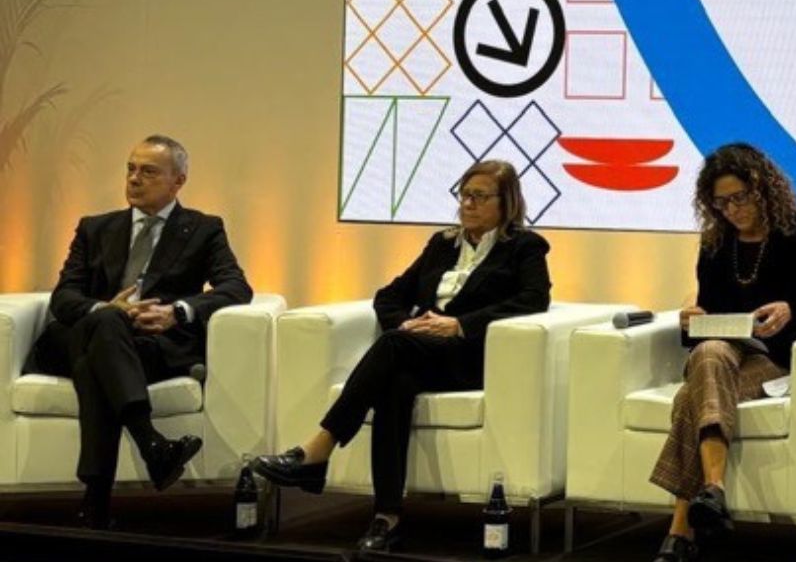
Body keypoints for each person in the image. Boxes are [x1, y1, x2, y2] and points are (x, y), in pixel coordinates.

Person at [251, 159, 552, 553]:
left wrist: (460, 324)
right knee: (394, 383)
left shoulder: (524, 247)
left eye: (480, 197)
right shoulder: (442, 244)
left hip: (471, 357)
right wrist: (407, 323)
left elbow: (533, 299)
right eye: (464, 195)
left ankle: (319, 448)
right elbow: (389, 297)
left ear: (506, 202)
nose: (468, 204)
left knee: (393, 346)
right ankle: (386, 516)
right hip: (422, 353)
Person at [30, 135, 251, 528]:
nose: (134, 179)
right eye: (130, 169)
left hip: (148, 347)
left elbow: (236, 287)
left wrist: (177, 312)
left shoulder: (203, 229)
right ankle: (150, 441)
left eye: (148, 172)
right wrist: (105, 309)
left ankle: (96, 499)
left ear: (178, 180)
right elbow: (64, 296)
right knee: (105, 324)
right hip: (84, 337)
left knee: (95, 361)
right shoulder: (94, 228)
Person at [649, 143, 796, 562]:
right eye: (721, 204)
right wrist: (692, 320)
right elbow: (709, 314)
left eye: (739, 198)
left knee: (690, 399)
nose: (732, 210)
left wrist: (791, 310)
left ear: (762, 187)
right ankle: (714, 489)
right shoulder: (716, 242)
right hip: (722, 354)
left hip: (773, 360)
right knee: (711, 350)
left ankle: (681, 528)